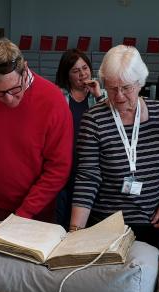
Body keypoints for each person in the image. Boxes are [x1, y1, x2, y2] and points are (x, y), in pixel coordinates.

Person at [69, 45, 159, 246]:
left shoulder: (158, 113)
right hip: (107, 225)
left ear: (140, 83)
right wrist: (75, 234)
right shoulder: (94, 119)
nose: (118, 96)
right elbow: (87, 177)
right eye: (111, 88)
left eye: (126, 88)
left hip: (153, 222)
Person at [0, 38, 73, 228]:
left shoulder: (53, 100)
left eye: (15, 89)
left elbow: (59, 169)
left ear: (25, 70)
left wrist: (24, 213)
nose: (8, 99)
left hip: (34, 213)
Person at [54, 49, 106, 228]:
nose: (83, 74)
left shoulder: (101, 95)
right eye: (76, 71)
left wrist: (98, 96)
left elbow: (111, 123)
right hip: (65, 164)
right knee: (62, 215)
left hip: (91, 165)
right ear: (67, 75)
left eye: (85, 68)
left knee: (88, 217)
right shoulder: (58, 95)